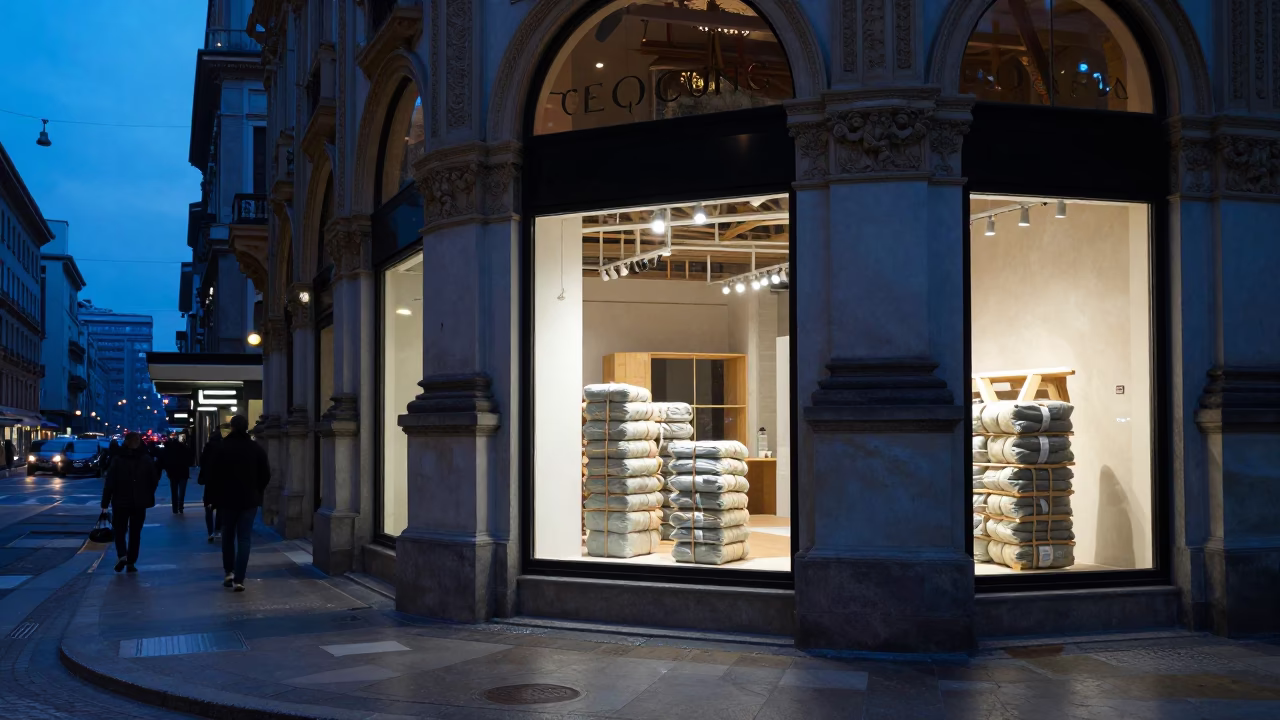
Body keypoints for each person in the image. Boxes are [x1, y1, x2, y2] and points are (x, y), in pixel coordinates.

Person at [213, 416, 270, 591]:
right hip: (249, 499)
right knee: (244, 538)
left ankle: (228, 572)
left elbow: (213, 475)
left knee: (228, 536)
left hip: (227, 499)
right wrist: (256, 490)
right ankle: (240, 579)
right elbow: (265, 474)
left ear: (232, 428)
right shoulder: (255, 448)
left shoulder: (222, 448)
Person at [99, 432, 159, 572]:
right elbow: (154, 480)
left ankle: (122, 555)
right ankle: (131, 561)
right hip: (139, 502)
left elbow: (110, 482)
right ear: (138, 442)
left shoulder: (118, 458)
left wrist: (105, 502)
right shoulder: (145, 459)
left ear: (125, 442)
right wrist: (147, 494)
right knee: (135, 532)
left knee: (120, 530)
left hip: (120, 501)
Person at [198, 429, 223, 543]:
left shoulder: (207, 448)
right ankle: (218, 529)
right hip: (221, 483)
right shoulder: (223, 448)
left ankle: (210, 531)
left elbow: (202, 463)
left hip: (209, 483)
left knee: (208, 508)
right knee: (220, 507)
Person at [163, 434, 194, 514]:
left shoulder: (169, 451)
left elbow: (165, 462)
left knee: (174, 491)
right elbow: (190, 461)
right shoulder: (185, 450)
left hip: (173, 473)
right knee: (182, 491)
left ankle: (175, 507)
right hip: (183, 472)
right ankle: (181, 505)